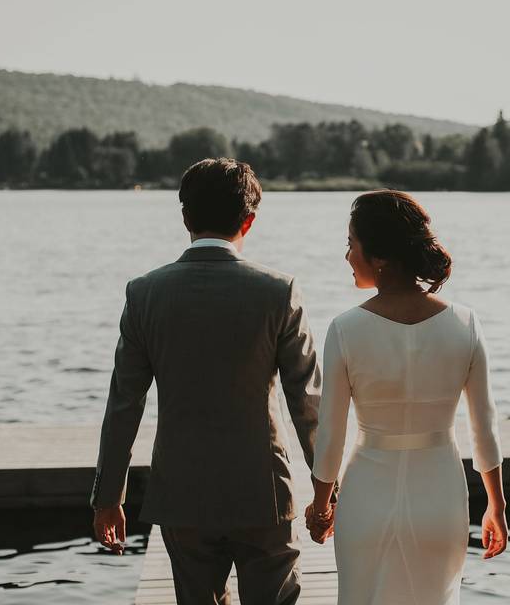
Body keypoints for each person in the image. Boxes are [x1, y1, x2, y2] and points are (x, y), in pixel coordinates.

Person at [90, 158, 333, 605]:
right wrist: (326, 491)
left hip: (182, 493)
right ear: (249, 220)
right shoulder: (278, 291)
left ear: (185, 217)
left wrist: (108, 495)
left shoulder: (144, 293)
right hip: (263, 490)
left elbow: (124, 404)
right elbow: (309, 402)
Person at [305, 189, 508, 604]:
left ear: (379, 256)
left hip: (366, 499)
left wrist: (322, 506)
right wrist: (496, 505)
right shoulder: (465, 324)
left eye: (351, 244)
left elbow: (331, 434)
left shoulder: (345, 329)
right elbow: (484, 428)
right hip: (440, 497)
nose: (347, 256)